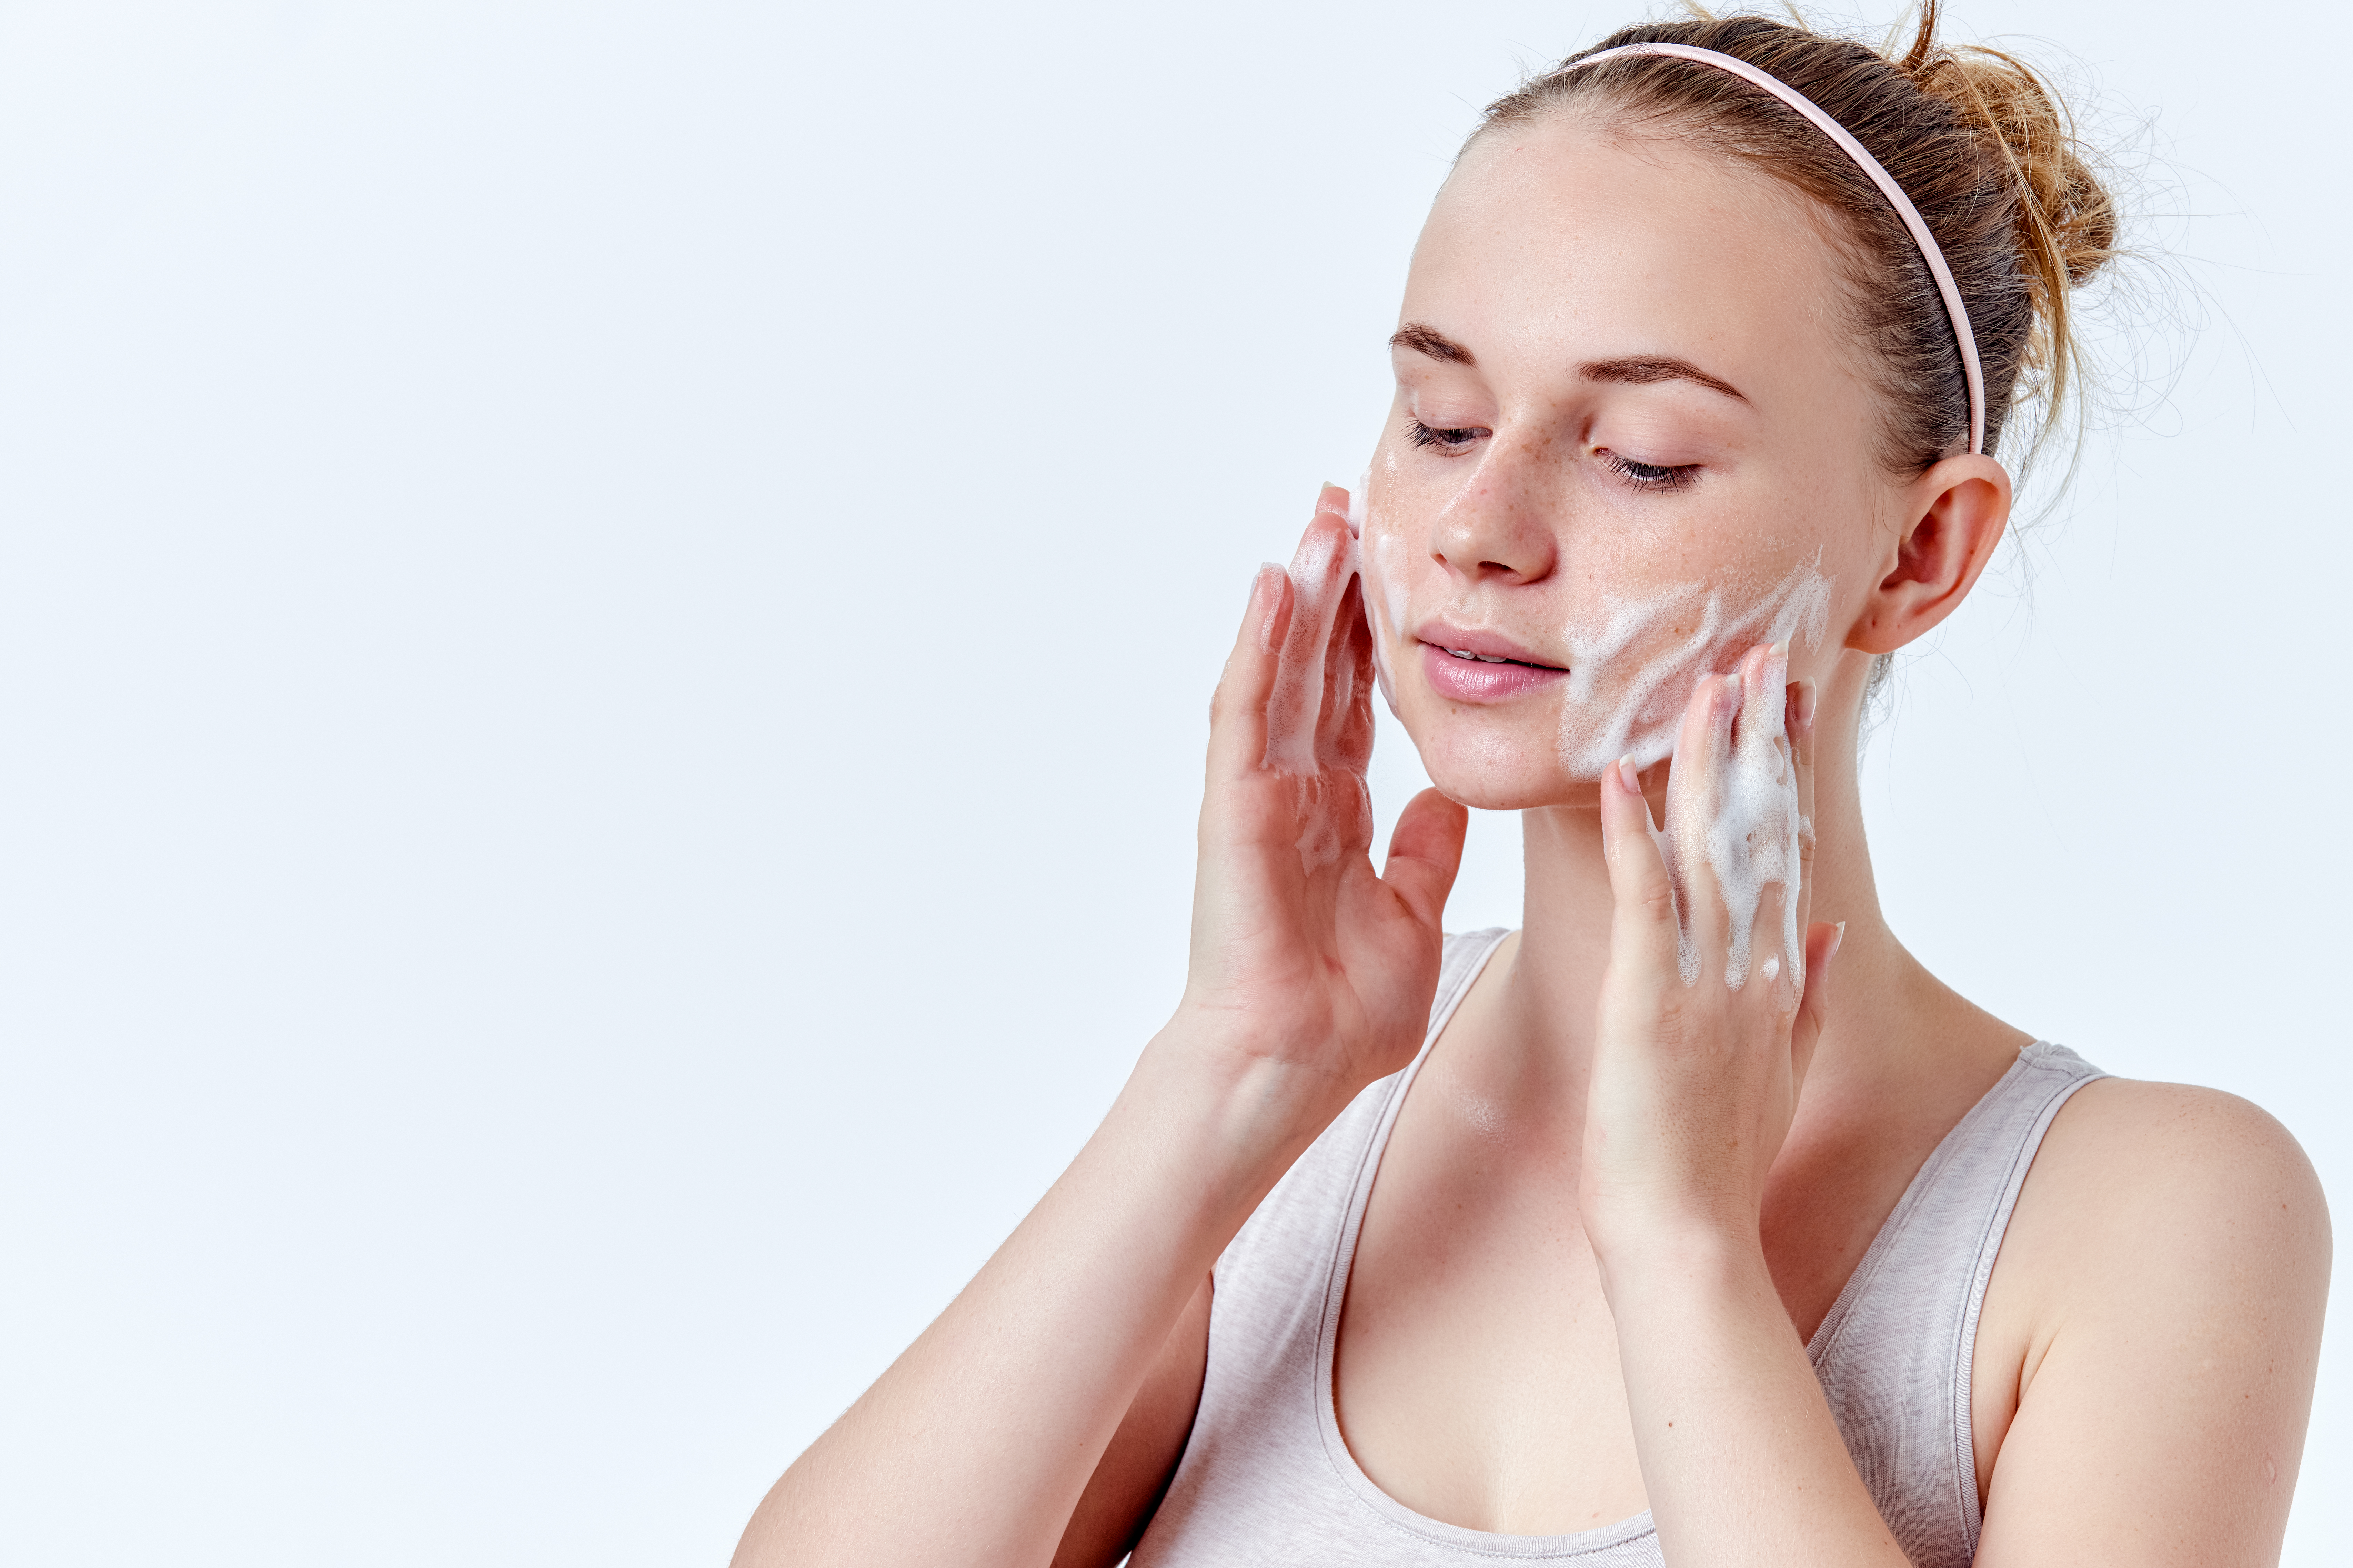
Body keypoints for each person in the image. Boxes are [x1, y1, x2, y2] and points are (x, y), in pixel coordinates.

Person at [733, 9, 2330, 1565]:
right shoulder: (1302, 1130)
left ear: (1922, 552)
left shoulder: (2148, 1219)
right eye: (1440, 418)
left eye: (1637, 455)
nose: (1480, 526)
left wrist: (1684, 1249)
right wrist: (1231, 1066)